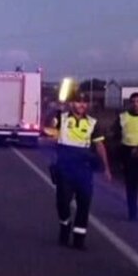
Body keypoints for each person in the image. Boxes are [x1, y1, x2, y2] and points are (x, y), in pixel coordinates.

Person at [47, 92, 112, 248]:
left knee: (84, 203)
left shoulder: (92, 123)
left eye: (84, 102)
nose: (82, 105)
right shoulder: (61, 118)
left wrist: (106, 168)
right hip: (64, 168)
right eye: (78, 102)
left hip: (84, 169)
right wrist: (54, 112)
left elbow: (99, 146)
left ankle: (79, 239)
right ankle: (65, 224)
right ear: (71, 104)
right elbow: (49, 129)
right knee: (62, 202)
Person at [115, 92, 138, 220]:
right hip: (128, 154)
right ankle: (132, 212)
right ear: (130, 103)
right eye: (133, 102)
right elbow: (116, 136)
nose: (136, 104)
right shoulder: (123, 117)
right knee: (131, 186)